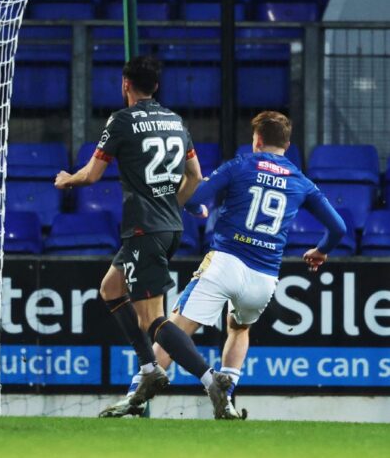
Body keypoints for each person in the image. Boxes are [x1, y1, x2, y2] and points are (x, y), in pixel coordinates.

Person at [101, 111, 347, 420]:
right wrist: (320, 251)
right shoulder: (302, 182)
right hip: (264, 278)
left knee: (173, 331)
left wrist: (198, 207)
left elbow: (192, 196)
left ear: (256, 140)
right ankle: (226, 401)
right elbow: (338, 228)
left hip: (226, 263)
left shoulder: (241, 165)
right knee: (239, 327)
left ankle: (133, 403)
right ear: (287, 143)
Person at [54, 55, 230, 414]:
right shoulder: (175, 121)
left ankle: (211, 381)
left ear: (125, 84)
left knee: (153, 319)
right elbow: (195, 175)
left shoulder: (121, 121)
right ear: (157, 87)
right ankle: (149, 369)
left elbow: (91, 175)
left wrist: (66, 179)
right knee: (111, 289)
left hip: (143, 228)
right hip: (168, 226)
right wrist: (172, 205)